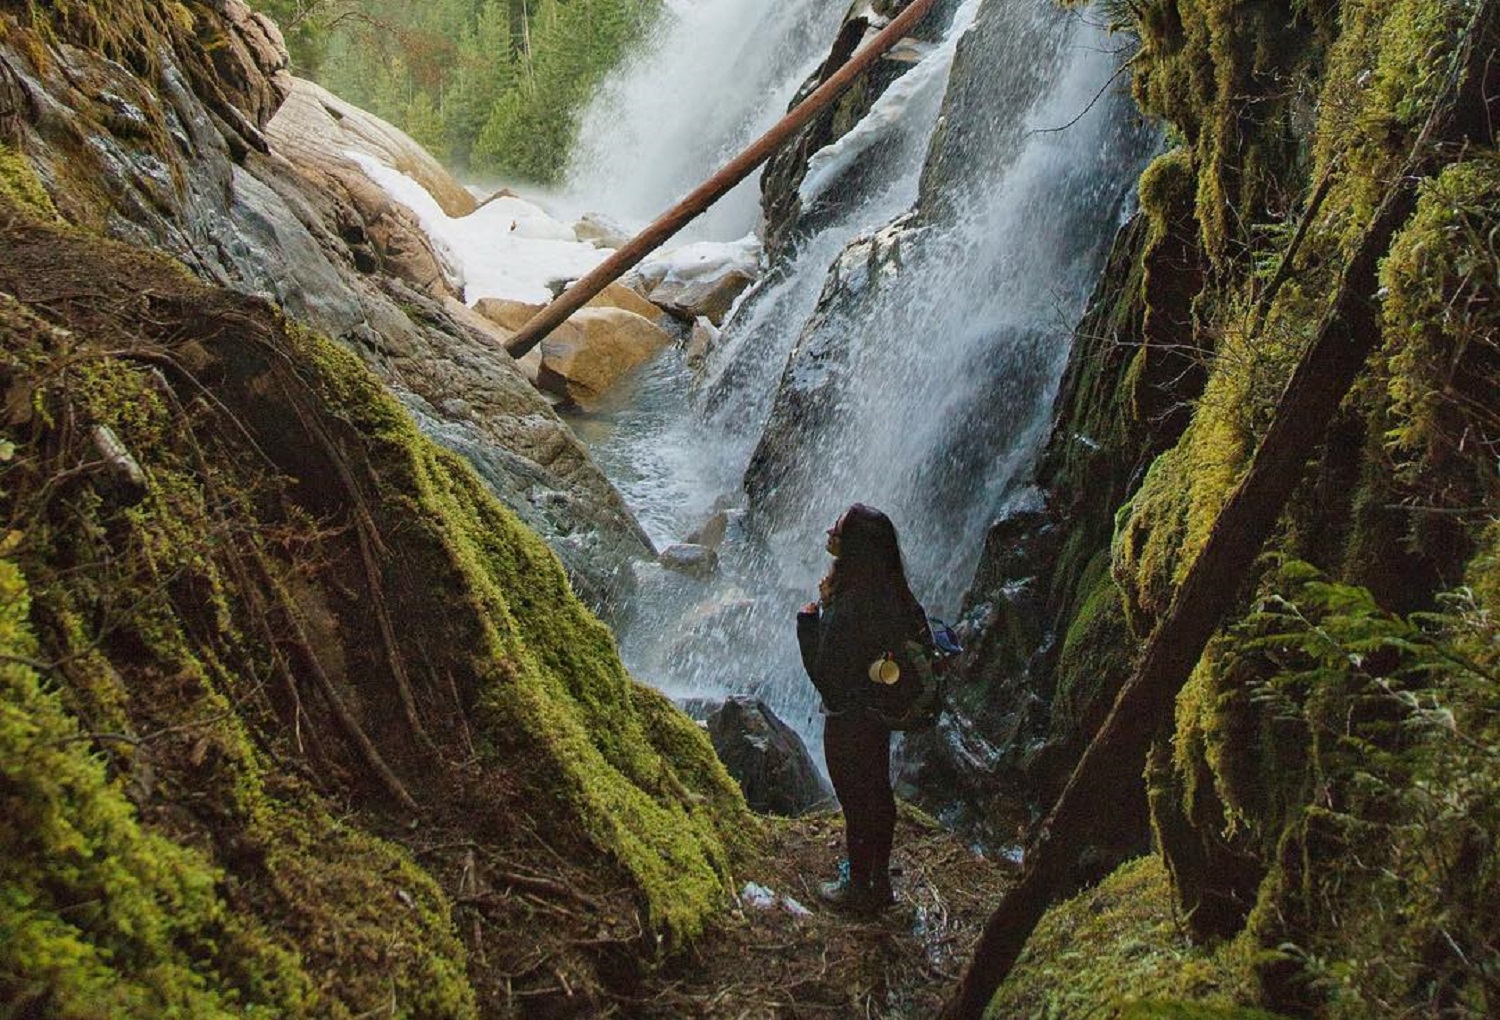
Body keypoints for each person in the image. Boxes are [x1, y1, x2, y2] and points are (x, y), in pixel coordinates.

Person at [796, 503, 929, 913]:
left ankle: (857, 886)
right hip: (877, 715)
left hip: (847, 718)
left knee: (855, 800)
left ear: (852, 547)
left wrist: (810, 621)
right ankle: (879, 879)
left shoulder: (849, 606)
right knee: (878, 792)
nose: (829, 530)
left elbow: (825, 674)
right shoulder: (893, 594)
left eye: (837, 527)